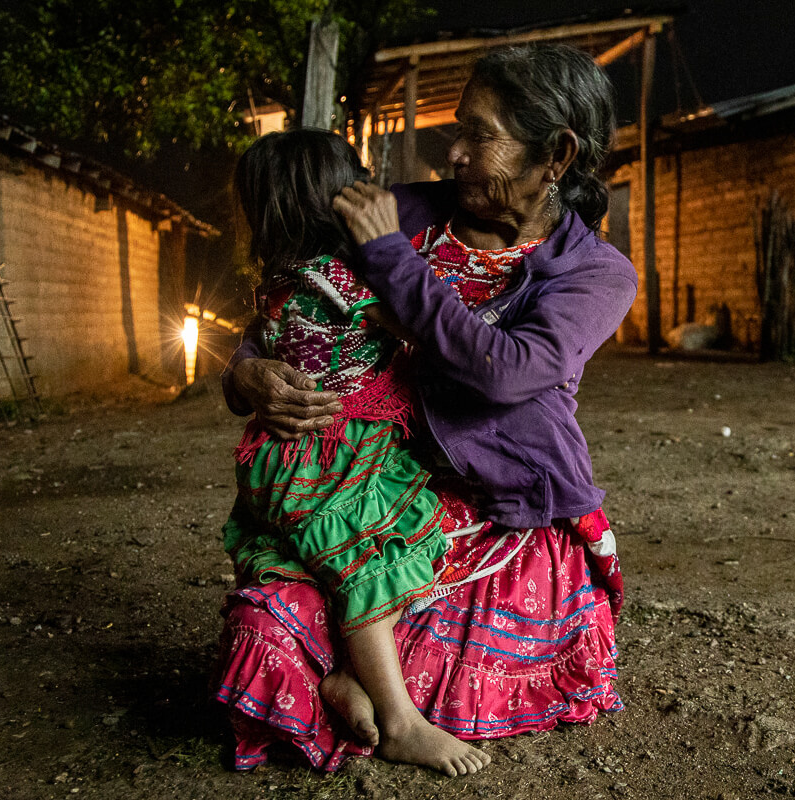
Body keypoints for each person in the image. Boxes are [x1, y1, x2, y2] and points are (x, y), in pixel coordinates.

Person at [213, 43, 638, 773]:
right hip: (358, 484)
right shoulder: (401, 211)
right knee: (268, 626)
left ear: (557, 156)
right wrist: (246, 376)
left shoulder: (595, 274)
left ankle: (374, 686)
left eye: (481, 135)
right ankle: (365, 679)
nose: (456, 153)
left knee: (423, 633)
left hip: (496, 509)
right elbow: (292, 297)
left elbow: (502, 375)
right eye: (457, 130)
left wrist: (390, 257)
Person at [221, 128, 492, 776]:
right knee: (369, 559)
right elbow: (427, 327)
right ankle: (401, 723)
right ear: (333, 202)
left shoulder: (279, 285)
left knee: (364, 557)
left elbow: (264, 339)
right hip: (332, 457)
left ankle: (345, 675)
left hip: (287, 460)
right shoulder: (343, 282)